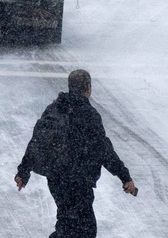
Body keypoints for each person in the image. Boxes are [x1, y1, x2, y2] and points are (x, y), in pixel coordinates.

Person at [15, 69, 138, 238]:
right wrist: (125, 177)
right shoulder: (89, 115)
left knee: (67, 224)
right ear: (88, 88)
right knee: (83, 230)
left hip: (56, 179)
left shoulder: (54, 109)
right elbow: (104, 150)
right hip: (78, 182)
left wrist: (24, 170)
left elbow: (37, 141)